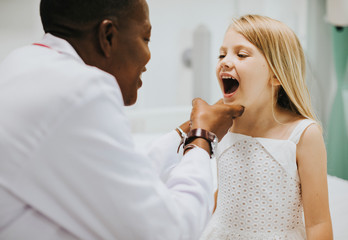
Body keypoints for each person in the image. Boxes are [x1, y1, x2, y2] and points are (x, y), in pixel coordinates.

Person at [0, 0, 244, 239]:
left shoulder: (23, 63)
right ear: (108, 36)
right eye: (145, 39)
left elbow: (115, 178)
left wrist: (182, 136)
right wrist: (202, 139)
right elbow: (168, 231)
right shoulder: (83, 90)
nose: (148, 57)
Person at [199, 15, 333, 240]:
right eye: (222, 54)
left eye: (241, 54)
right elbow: (225, 194)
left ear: (276, 75)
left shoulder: (302, 135)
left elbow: (318, 222)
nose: (225, 60)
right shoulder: (223, 126)